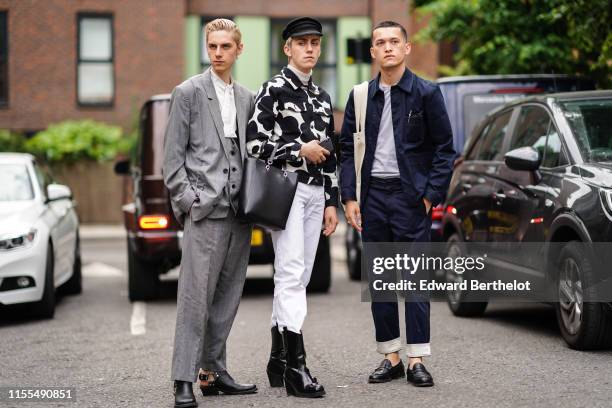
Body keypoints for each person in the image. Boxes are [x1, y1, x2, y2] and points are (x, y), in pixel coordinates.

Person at [340, 20, 455, 387]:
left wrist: (428, 197)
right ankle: (390, 356)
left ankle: (417, 358)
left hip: (410, 200)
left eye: (394, 41)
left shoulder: (426, 93)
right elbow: (345, 150)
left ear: (406, 48)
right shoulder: (360, 96)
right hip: (373, 197)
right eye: (380, 42)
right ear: (373, 52)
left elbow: (444, 149)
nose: (387, 47)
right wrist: (349, 197)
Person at [163, 19, 257, 408]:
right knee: (194, 300)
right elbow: (172, 161)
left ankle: (213, 372)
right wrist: (189, 203)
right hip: (206, 212)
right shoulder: (187, 92)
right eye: (212, 46)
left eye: (225, 47)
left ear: (238, 50)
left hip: (240, 212)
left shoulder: (249, 97)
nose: (217, 53)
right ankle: (183, 378)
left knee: (227, 298)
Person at [246, 16, 339, 399]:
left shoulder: (322, 97)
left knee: (298, 278)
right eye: (302, 42)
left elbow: (331, 154)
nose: (310, 48)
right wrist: (298, 149)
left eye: (315, 42)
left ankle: (277, 358)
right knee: (289, 273)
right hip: (287, 191)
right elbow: (254, 144)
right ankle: (296, 369)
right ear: (287, 48)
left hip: (317, 195)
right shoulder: (272, 90)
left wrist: (332, 200)